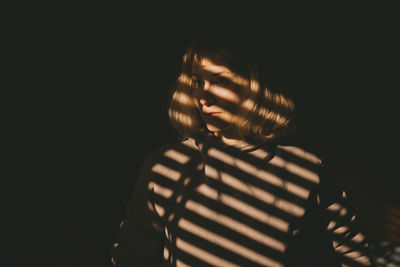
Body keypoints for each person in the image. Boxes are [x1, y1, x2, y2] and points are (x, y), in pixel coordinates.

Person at [110, 30, 375, 266]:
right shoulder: (167, 165)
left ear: (255, 86)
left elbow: (352, 253)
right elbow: (130, 257)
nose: (204, 96)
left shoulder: (303, 169)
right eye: (198, 81)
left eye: (221, 81)